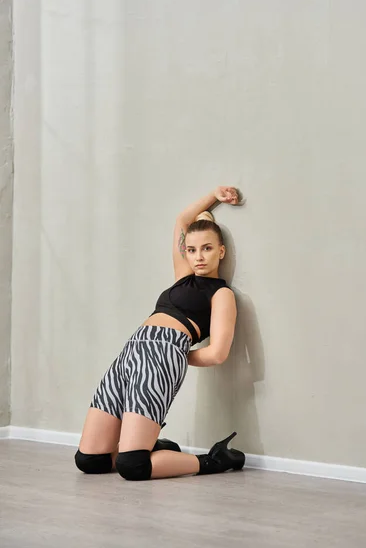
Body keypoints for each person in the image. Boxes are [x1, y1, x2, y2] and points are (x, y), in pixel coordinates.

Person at [75, 186, 245, 480]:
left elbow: (218, 352)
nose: (198, 257)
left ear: (221, 251)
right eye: (191, 250)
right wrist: (215, 197)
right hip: (131, 350)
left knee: (133, 466)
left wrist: (174, 353)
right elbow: (182, 219)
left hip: (163, 354)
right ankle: (152, 444)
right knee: (90, 460)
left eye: (206, 248)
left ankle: (214, 460)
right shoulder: (183, 277)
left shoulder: (221, 294)